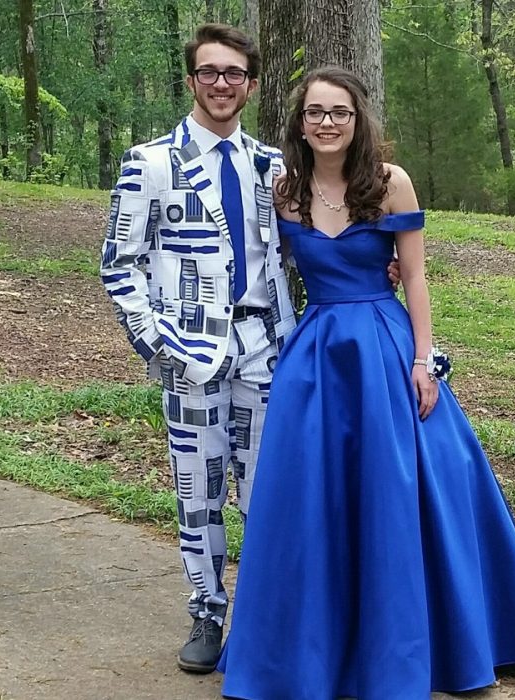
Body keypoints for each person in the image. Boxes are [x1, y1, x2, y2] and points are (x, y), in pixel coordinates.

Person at [217, 67, 515, 699]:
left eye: (338, 112)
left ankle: (424, 643)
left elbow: (418, 278)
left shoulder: (390, 183)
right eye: (315, 112)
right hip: (316, 356)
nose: (326, 122)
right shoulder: (283, 191)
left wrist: (424, 360)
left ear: (358, 118)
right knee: (308, 498)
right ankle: (305, 651)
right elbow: (259, 265)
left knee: (408, 484)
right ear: (299, 121)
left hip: (382, 343)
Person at [100, 24, 402, 674]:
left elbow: (319, 240)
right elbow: (118, 267)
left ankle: (274, 623)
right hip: (191, 357)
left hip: (270, 351)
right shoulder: (149, 163)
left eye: (233, 73)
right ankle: (207, 613)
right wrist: (160, 346)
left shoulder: (274, 167)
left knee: (273, 489)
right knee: (198, 489)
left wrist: (384, 268)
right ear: (191, 80)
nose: (220, 83)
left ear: (250, 84)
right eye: (208, 72)